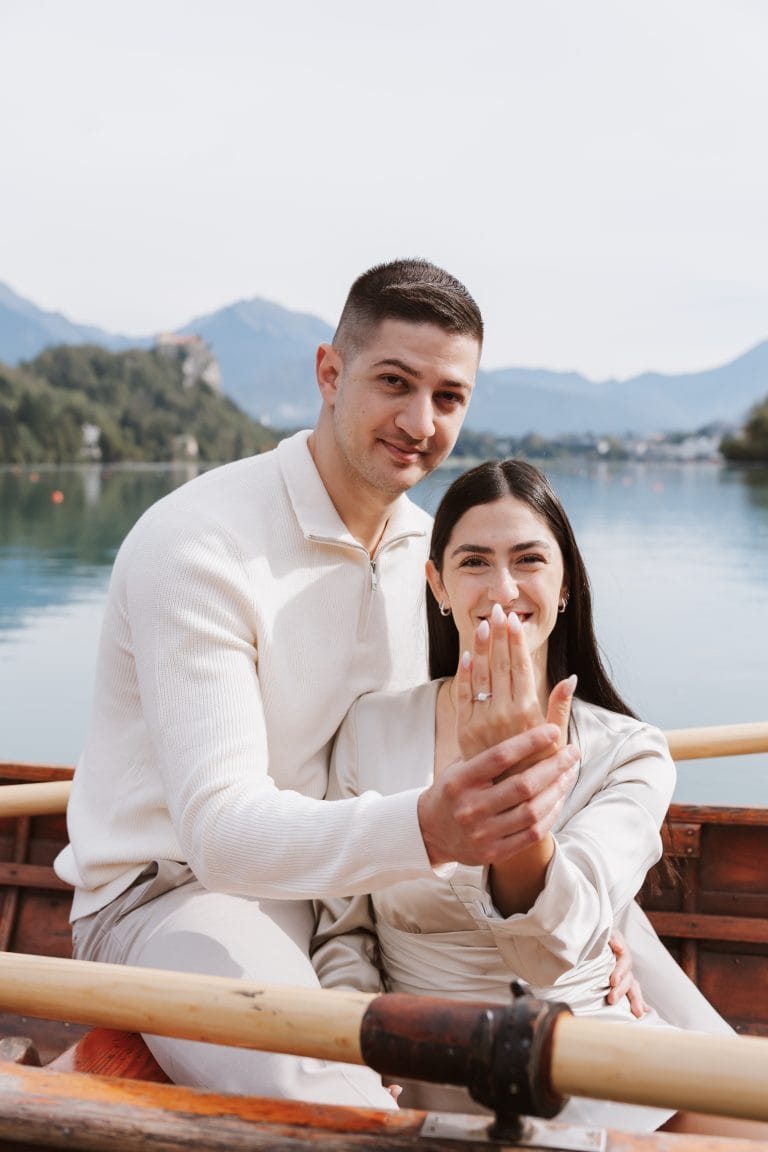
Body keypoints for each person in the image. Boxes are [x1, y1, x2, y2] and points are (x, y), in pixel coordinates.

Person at [53, 259, 583, 1108]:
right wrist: (432, 827)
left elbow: (449, 751)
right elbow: (222, 835)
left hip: (363, 890)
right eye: (395, 383)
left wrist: (599, 929)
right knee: (339, 1102)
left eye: (449, 397)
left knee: (640, 1012)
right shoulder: (199, 544)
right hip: (180, 894)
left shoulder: (429, 555)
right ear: (329, 373)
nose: (420, 422)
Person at [312, 458, 759, 1136]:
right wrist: (357, 1048)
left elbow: (550, 950)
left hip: (587, 1055)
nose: (502, 589)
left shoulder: (632, 752)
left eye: (528, 560)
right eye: (472, 563)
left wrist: (503, 769)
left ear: (565, 584)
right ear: (435, 585)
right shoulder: (370, 728)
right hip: (421, 1061)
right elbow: (344, 930)